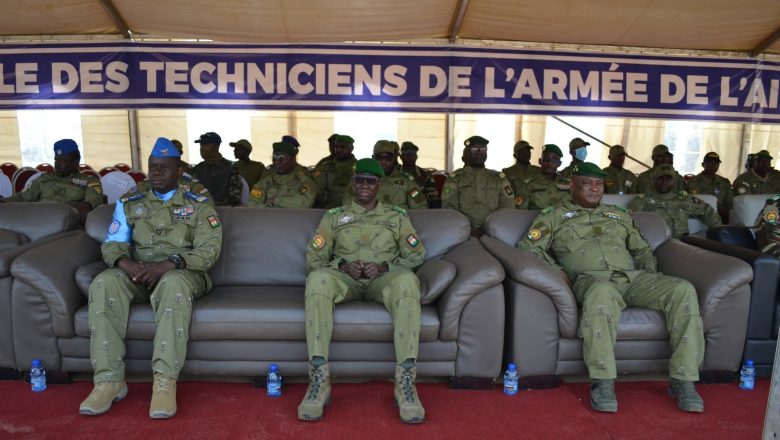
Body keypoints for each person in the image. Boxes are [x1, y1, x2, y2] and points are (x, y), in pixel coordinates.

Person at [518, 161, 705, 413]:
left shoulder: (618, 214)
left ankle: (684, 380)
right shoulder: (553, 215)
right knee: (602, 293)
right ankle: (603, 382)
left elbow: (642, 249)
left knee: (683, 289)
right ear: (571, 186)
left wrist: (649, 278)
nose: (595, 189)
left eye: (598, 184)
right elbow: (529, 248)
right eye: (587, 184)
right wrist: (557, 272)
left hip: (632, 278)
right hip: (590, 280)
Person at [78, 137, 222, 419]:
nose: (156, 172)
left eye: (163, 167)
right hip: (139, 273)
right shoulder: (131, 203)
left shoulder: (198, 204)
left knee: (173, 283)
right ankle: (109, 381)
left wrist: (172, 263)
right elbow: (113, 243)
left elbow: (209, 251)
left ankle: (164, 382)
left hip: (183, 274)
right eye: (153, 167)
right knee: (105, 281)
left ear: (179, 170)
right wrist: (125, 264)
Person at [298, 158, 426, 423]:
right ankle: (319, 379)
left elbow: (416, 256)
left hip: (384, 280)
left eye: (371, 180)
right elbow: (314, 259)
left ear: (380, 185)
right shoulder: (333, 217)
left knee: (407, 281)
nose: (364, 185)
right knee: (318, 279)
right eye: (360, 179)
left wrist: (385, 267)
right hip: (347, 280)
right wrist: (342, 265)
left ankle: (405, 382)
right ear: (353, 183)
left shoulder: (396, 217)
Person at [0, 138, 104, 223]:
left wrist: (87, 205)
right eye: (56, 159)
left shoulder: (90, 181)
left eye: (63, 160)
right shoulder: (44, 179)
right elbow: (22, 197)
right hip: (38, 220)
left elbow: (94, 199)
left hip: (68, 225)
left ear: (76, 162)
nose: (57, 164)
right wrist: (4, 202)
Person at [442, 136, 515, 237]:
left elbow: (508, 206)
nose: (479, 152)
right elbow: (448, 207)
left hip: (494, 232)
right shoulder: (456, 178)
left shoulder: (498, 178)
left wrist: (489, 227)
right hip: (462, 233)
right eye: (475, 149)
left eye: (483, 149)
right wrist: (468, 229)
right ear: (467, 152)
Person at [628, 164, 721, 238]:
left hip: (683, 245)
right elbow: (628, 225)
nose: (664, 181)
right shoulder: (641, 201)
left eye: (668, 178)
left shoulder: (686, 199)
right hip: (656, 245)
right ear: (654, 180)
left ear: (674, 181)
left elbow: (709, 212)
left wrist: (720, 234)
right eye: (660, 178)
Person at [344, 140, 427, 209]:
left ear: (393, 159)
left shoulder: (406, 181)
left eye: (388, 158)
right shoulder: (361, 179)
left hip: (398, 225)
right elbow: (347, 201)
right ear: (373, 158)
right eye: (380, 158)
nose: (384, 162)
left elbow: (419, 206)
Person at [247, 141, 317, 208]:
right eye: (274, 159)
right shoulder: (266, 182)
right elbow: (252, 204)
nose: (276, 162)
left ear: (293, 159)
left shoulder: (303, 181)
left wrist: (275, 201)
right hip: (269, 219)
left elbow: (305, 203)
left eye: (281, 159)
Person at [191, 132, 242, 206]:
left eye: (205, 145)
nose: (202, 148)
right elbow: (191, 193)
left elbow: (235, 197)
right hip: (201, 211)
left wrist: (213, 204)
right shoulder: (197, 169)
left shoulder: (231, 168)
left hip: (225, 212)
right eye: (201, 145)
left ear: (216, 147)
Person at [515, 144, 570, 210]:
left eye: (554, 160)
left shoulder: (567, 184)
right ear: (540, 161)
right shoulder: (529, 184)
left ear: (559, 163)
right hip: (536, 219)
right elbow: (521, 212)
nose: (549, 163)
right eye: (546, 159)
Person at [686, 152, 733, 222]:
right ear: (703, 164)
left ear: (719, 165)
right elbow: (687, 204)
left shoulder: (724, 183)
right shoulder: (693, 182)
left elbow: (729, 207)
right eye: (710, 162)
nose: (713, 165)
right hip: (698, 220)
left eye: (716, 163)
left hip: (720, 220)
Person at [312, 134, 356, 209]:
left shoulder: (358, 168)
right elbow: (316, 191)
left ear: (351, 148)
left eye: (342, 147)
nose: (338, 150)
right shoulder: (326, 167)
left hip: (351, 211)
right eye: (336, 147)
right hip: (329, 211)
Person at [400, 141, 439, 208]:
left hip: (420, 211)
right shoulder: (394, 174)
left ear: (416, 156)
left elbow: (432, 198)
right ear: (401, 156)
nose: (409, 156)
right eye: (406, 153)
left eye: (412, 153)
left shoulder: (425, 174)